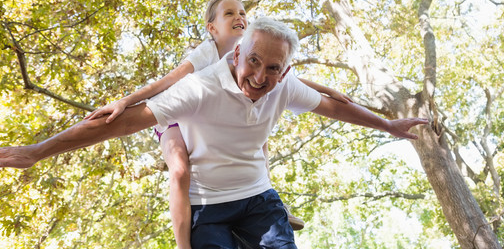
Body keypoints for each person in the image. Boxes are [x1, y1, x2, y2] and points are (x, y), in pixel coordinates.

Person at [0, 17, 427, 249]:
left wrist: (387, 124)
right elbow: (117, 123)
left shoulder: (286, 86)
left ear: (287, 71)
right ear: (238, 52)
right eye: (254, 61)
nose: (259, 76)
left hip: (259, 200)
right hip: (208, 209)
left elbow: (335, 105)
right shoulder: (198, 87)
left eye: (273, 68)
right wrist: (38, 151)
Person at [82, 0, 349, 247]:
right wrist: (126, 101)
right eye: (229, 13)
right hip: (172, 115)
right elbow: (168, 81)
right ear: (212, 27)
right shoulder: (205, 52)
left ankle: (269, 204)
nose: (239, 17)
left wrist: (325, 90)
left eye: (243, 12)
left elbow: (284, 75)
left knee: (259, 142)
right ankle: (182, 243)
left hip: (205, 118)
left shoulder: (250, 51)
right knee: (180, 171)